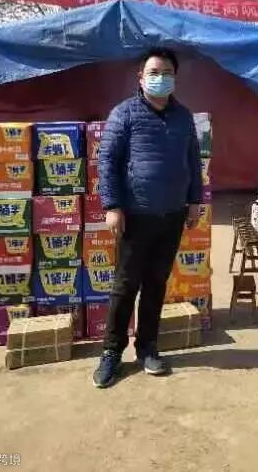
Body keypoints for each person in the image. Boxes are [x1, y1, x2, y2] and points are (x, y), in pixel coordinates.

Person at [93, 47, 202, 388]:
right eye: (154, 72)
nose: (160, 78)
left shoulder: (183, 116)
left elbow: (193, 160)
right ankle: (111, 352)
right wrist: (112, 206)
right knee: (126, 286)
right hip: (136, 216)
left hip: (172, 215)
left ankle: (148, 347)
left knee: (156, 284)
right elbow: (107, 161)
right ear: (140, 78)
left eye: (167, 73)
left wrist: (194, 201)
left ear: (175, 78)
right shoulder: (124, 114)